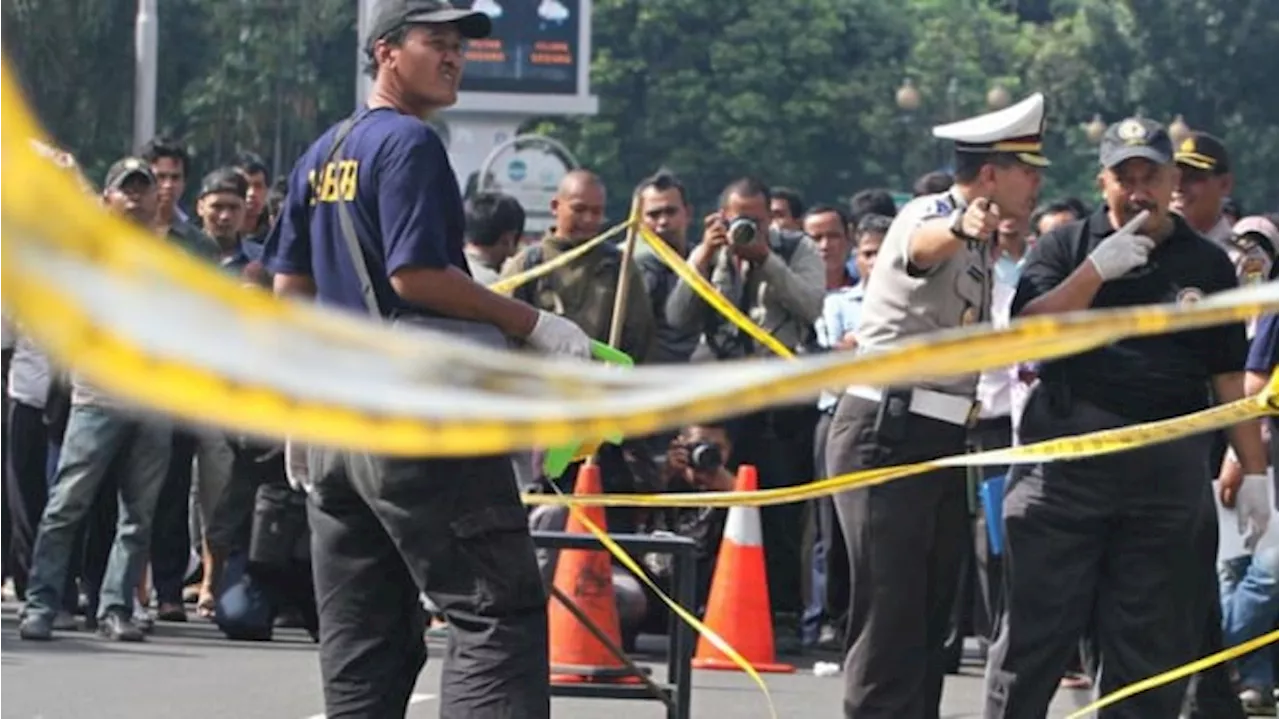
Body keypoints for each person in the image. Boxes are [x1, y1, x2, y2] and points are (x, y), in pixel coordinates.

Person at [260, 1, 591, 716]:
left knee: (364, 635)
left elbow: (290, 288)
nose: (453, 58)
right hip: (412, 415)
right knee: (494, 611)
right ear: (386, 52)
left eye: (458, 47)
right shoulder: (408, 144)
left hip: (334, 430)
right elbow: (418, 277)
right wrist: (533, 322)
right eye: (435, 43)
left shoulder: (321, 153)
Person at [983, 117, 1269, 719]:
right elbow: (1026, 336)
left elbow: (1225, 376)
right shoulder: (1063, 246)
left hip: (1164, 475)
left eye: (1150, 176)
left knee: (1149, 648)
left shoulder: (1208, 265)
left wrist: (1255, 470)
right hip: (1066, 466)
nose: (1138, 191)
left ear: (1170, 181)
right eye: (1124, 177)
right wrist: (1094, 273)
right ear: (1101, 182)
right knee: (1035, 638)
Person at [826, 93, 1048, 718]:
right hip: (885, 431)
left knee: (931, 621)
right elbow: (920, 247)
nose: (1035, 182)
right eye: (1026, 168)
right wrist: (956, 228)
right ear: (988, 175)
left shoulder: (984, 241)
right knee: (889, 616)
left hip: (942, 437)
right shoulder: (934, 214)